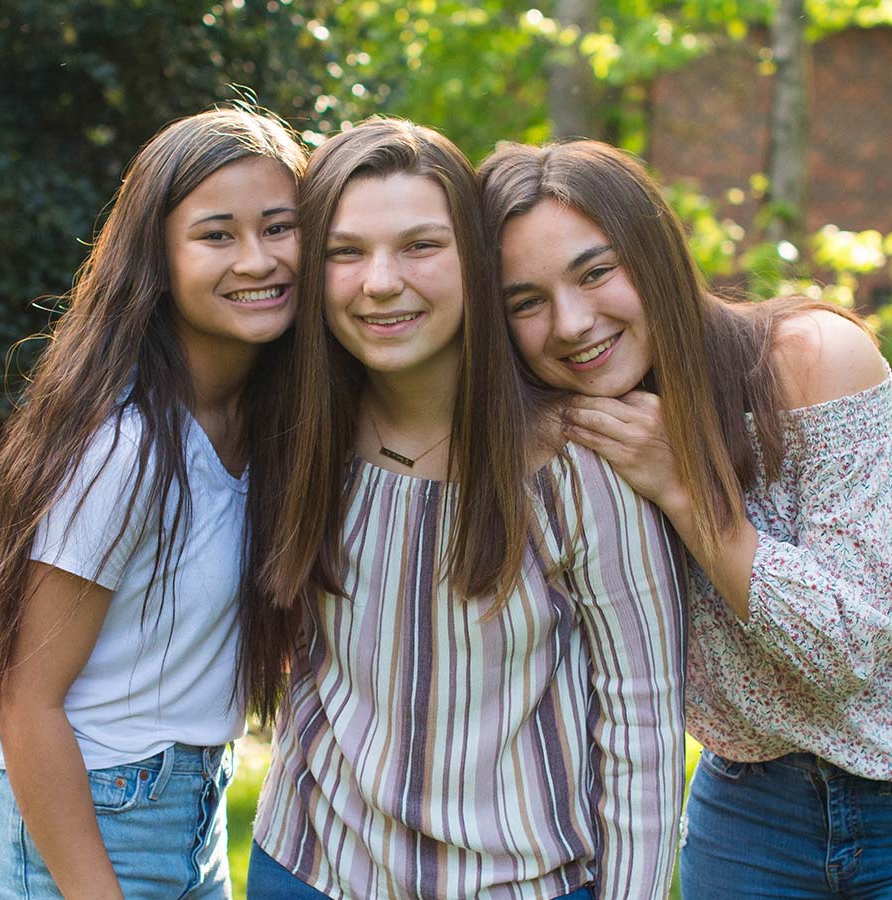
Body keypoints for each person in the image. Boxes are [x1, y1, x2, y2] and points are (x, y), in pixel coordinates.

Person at [481, 140, 892, 900]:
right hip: (747, 816)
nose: (572, 323)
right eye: (526, 302)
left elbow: (846, 646)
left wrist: (687, 492)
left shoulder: (812, 360)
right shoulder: (572, 432)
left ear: (656, 255)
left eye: (596, 271)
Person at [240, 118, 686, 900]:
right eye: (347, 252)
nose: (380, 281)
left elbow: (643, 727)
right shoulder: (300, 440)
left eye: (420, 246)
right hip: (310, 867)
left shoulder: (576, 463)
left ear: (475, 266)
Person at [0, 107, 306, 900]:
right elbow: (25, 697)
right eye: (217, 235)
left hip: (190, 812)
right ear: (159, 260)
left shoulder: (267, 425)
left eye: (280, 227)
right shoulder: (126, 445)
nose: (258, 259)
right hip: (72, 822)